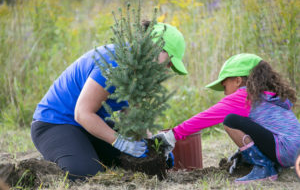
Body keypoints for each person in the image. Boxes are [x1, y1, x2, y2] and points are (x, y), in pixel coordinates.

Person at [31, 22, 187, 180]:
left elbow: (132, 117)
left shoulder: (141, 72)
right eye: (169, 62)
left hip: (89, 127)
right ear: (154, 47)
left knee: (143, 161)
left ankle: (80, 151)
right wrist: (120, 142)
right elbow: (82, 114)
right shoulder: (115, 62)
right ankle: (62, 154)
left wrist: (154, 146)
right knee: (84, 173)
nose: (167, 68)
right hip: (54, 124)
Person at [154, 53, 300, 183]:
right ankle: (267, 163)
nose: (224, 93)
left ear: (237, 81)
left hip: (284, 149)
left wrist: (173, 135)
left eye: (224, 86)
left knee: (231, 121)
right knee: (242, 122)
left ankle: (264, 168)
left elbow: (206, 117)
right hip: (293, 151)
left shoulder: (244, 97)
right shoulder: (266, 97)